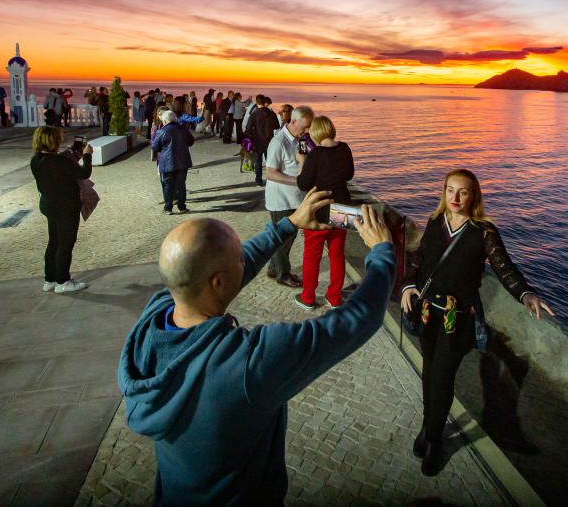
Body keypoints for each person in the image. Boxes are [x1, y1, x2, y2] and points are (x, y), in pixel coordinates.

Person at [118, 191, 393, 505]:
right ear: (218, 282)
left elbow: (217, 271)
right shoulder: (248, 364)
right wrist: (382, 251)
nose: (244, 262)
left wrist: (287, 225)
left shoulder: (153, 317)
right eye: (238, 260)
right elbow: (359, 319)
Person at [400, 169, 555, 476]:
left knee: (442, 377)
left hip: (457, 319)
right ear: (443, 193)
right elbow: (418, 261)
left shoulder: (483, 232)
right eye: (450, 191)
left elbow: (504, 268)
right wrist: (407, 285)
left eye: (463, 192)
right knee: (429, 373)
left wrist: (526, 294)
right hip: (428, 314)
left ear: (474, 196)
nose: (455, 198)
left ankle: (434, 440)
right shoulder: (434, 223)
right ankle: (427, 424)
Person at [295, 116, 355, 311]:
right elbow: (349, 174)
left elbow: (303, 183)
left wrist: (302, 161)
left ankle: (308, 297)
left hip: (320, 208)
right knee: (337, 253)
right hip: (342, 207)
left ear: (316, 132)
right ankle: (334, 297)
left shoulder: (315, 155)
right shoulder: (345, 148)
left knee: (312, 254)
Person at [30, 126, 94, 293]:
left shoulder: (36, 160)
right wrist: (87, 155)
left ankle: (50, 278)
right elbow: (84, 173)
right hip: (66, 206)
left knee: (54, 241)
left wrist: (72, 155)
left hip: (49, 204)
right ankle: (63, 281)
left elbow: (59, 172)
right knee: (66, 243)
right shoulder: (61, 162)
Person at [261, 104, 313, 288]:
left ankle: (274, 268)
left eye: (309, 127)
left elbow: (303, 163)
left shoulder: (300, 139)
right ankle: (283, 274)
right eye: (304, 126)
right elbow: (270, 173)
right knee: (282, 239)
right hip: (281, 200)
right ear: (293, 121)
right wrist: (298, 181)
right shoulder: (278, 142)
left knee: (289, 237)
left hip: (296, 199)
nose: (306, 131)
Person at [152, 110, 195, 215]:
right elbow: (191, 141)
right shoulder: (183, 129)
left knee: (168, 185)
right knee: (181, 185)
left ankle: (168, 208)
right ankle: (182, 207)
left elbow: (155, 147)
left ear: (165, 120)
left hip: (167, 162)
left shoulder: (161, 131)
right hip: (182, 161)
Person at [245, 95, 279, 187]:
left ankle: (258, 181)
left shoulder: (254, 114)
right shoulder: (271, 113)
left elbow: (247, 128)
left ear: (256, 102)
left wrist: (248, 141)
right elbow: (277, 126)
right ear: (264, 102)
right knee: (270, 162)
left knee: (258, 161)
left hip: (257, 141)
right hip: (269, 141)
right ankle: (271, 179)